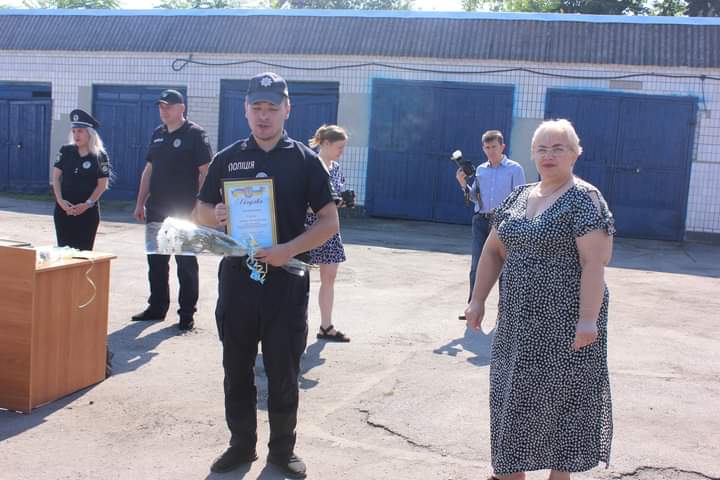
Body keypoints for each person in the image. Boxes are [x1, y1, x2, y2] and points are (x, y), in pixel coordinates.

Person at [192, 72, 338, 478]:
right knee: (236, 368)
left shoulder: (305, 161)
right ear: (245, 110)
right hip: (238, 281)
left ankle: (282, 451)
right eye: (256, 107)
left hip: (286, 283)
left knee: (283, 371)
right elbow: (199, 213)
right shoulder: (228, 158)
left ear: (287, 109)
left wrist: (288, 249)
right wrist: (217, 215)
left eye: (271, 107)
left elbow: (329, 221)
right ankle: (240, 446)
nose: (263, 115)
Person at [464, 119, 614, 480]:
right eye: (542, 149)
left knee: (563, 400)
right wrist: (478, 299)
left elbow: (595, 262)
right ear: (532, 154)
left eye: (558, 148)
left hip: (566, 322)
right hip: (517, 320)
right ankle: (509, 470)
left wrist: (588, 319)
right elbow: (493, 251)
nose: (549, 155)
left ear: (575, 154)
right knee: (513, 395)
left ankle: (559, 475)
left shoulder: (585, 198)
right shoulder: (519, 196)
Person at [132, 89, 212, 331]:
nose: (164, 111)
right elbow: (148, 170)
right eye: (161, 107)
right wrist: (140, 202)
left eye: (169, 106)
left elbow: (205, 173)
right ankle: (156, 307)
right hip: (157, 209)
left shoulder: (195, 134)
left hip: (184, 211)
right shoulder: (158, 134)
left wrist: (199, 206)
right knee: (156, 261)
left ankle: (186, 314)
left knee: (185, 263)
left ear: (181, 108)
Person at [456, 130, 525, 317]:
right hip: (481, 220)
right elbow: (474, 197)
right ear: (483, 148)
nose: (491, 151)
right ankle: (473, 308)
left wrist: (516, 224)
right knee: (476, 266)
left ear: (502, 147)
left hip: (504, 223)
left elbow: (521, 198)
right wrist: (463, 183)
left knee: (505, 268)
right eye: (487, 147)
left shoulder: (515, 169)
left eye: (494, 146)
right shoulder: (480, 170)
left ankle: (505, 313)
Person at [307, 124, 351, 343]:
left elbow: (333, 200)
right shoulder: (309, 165)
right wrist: (329, 204)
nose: (342, 151)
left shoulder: (336, 168)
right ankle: (293, 325)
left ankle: (326, 326)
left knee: (329, 277)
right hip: (307, 228)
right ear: (325, 143)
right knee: (298, 279)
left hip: (330, 227)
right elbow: (302, 203)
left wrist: (343, 201)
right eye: (339, 147)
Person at [52, 109, 111, 251]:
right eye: (74, 131)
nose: (76, 135)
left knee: (83, 255)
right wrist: (60, 201)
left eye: (80, 131)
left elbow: (102, 185)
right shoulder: (66, 151)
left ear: (90, 133)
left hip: (87, 213)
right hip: (64, 211)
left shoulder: (99, 156)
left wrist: (86, 205)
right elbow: (55, 177)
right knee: (63, 253)